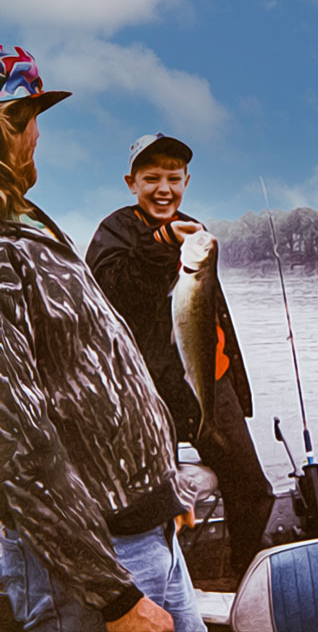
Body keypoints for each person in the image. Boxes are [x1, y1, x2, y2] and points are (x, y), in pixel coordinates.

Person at [0, 45, 207, 631]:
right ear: (10, 126)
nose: (38, 134)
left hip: (147, 528)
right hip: (97, 566)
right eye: (30, 116)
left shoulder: (27, 220)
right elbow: (14, 439)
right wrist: (113, 596)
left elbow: (87, 372)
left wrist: (162, 490)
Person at [86, 133, 274, 574]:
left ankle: (247, 575)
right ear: (131, 183)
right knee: (152, 499)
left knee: (251, 488)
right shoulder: (114, 230)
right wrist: (163, 240)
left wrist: (235, 386)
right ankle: (166, 580)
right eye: (152, 178)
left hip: (208, 380)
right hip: (145, 392)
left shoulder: (195, 231)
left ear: (187, 180)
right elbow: (112, 287)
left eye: (174, 177)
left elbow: (207, 313)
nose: (164, 188)